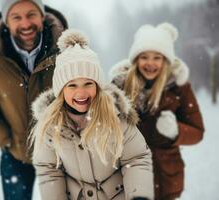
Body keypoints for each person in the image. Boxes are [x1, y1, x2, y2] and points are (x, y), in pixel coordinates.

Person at [30, 29, 154, 200]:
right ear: (61, 90)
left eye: (88, 83)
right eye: (72, 85)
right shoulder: (51, 126)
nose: (81, 93)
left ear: (98, 86)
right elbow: (49, 169)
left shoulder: (116, 117)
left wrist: (138, 196)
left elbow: (136, 158)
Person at [0, 0, 67, 199]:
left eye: (31, 14)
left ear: (42, 15)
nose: (25, 23)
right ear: (6, 22)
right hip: (16, 155)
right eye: (16, 17)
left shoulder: (67, 49)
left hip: (64, 152)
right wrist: (7, 140)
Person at [110, 22, 205, 200]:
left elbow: (198, 132)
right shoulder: (119, 87)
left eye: (157, 57)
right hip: (128, 177)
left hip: (165, 178)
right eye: (144, 56)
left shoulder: (178, 87)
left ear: (165, 60)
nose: (150, 63)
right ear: (136, 59)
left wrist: (176, 130)